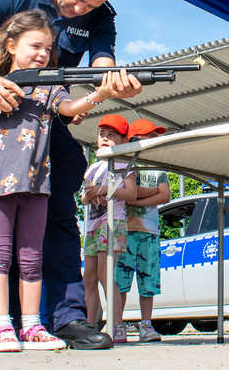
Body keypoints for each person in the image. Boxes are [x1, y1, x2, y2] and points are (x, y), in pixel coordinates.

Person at [0, 0, 142, 351]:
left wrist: (110, 84)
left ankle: (66, 319)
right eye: (77, 1)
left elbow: (101, 65)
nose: (81, 10)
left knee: (62, 215)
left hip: (46, 118)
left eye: (90, 6)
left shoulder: (101, 15)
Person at [114, 119, 170, 343]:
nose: (154, 140)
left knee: (148, 281)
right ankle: (117, 324)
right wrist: (144, 194)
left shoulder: (158, 169)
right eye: (150, 136)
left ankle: (146, 325)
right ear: (134, 139)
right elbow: (128, 191)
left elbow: (164, 195)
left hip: (150, 233)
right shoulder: (123, 165)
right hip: (123, 232)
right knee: (121, 281)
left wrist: (136, 198)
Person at [81, 114, 136, 331]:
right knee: (89, 277)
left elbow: (131, 193)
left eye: (111, 135)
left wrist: (105, 190)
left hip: (112, 221)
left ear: (123, 140)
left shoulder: (124, 164)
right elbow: (84, 197)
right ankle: (88, 325)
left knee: (105, 274)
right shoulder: (93, 167)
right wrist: (90, 195)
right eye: (102, 134)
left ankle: (116, 324)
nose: (105, 138)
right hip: (93, 225)